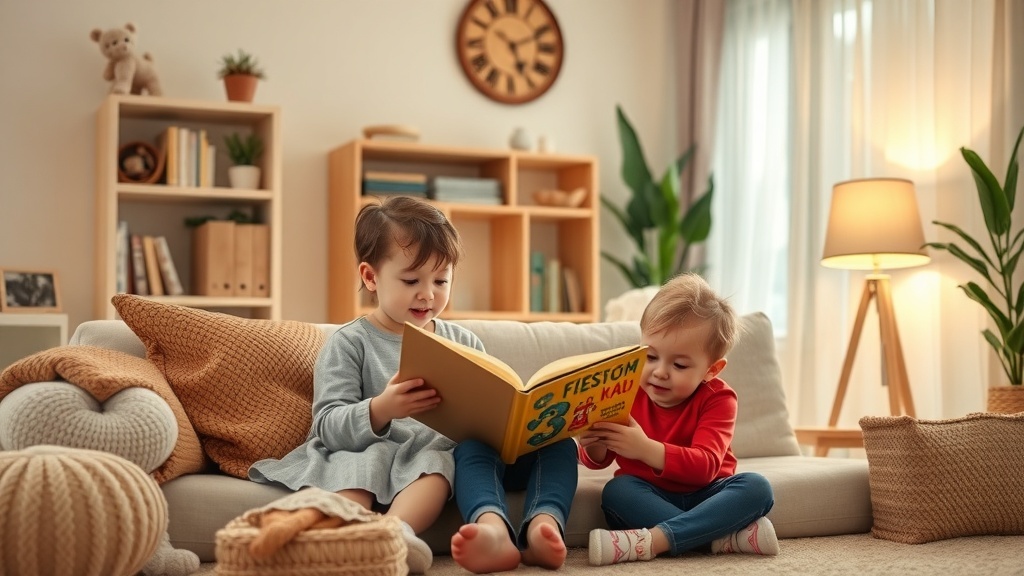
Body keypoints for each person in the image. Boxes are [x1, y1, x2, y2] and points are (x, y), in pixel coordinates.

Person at [249, 196, 484, 574]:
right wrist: (382, 409)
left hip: (426, 451)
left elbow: (485, 410)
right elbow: (326, 424)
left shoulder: (465, 343)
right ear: (371, 277)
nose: (428, 294)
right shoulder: (350, 342)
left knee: (437, 465)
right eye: (411, 280)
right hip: (361, 447)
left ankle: (393, 534)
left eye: (441, 280)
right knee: (361, 466)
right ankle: (337, 538)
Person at [578, 272, 779, 566]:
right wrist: (593, 442)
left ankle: (653, 541)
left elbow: (706, 467)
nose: (660, 372)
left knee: (757, 487)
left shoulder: (719, 398)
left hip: (708, 495)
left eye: (680, 364)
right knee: (617, 491)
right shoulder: (624, 388)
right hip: (649, 494)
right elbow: (599, 460)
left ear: (712, 370)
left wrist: (644, 448)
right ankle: (718, 538)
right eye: (650, 357)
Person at [449, 438, 578, 573]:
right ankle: (494, 529)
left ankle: (542, 525)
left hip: (538, 452)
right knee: (469, 448)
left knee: (563, 444)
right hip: (483, 451)